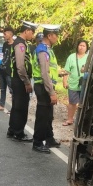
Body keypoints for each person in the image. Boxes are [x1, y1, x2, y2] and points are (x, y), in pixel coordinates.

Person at [31, 25, 61, 153]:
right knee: (42, 116)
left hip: (47, 86)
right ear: (49, 36)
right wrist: (51, 92)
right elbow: (44, 73)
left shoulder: (48, 49)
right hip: (43, 87)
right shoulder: (43, 50)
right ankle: (37, 142)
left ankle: (49, 138)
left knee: (48, 115)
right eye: (56, 35)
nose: (57, 38)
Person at [6, 20, 37, 142]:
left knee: (16, 106)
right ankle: (18, 133)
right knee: (21, 107)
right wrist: (27, 82)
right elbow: (20, 66)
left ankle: (12, 130)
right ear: (27, 31)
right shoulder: (20, 44)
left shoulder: (22, 43)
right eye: (32, 32)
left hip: (18, 79)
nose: (33, 35)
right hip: (20, 80)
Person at [62, 40, 89, 126]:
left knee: (84, 103)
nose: (81, 47)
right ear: (77, 46)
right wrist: (64, 81)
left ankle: (81, 121)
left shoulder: (89, 58)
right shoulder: (71, 57)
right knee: (72, 102)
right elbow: (66, 71)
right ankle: (70, 119)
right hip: (73, 83)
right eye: (80, 45)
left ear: (87, 48)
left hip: (84, 83)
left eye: (84, 46)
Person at [0, 26, 14, 113]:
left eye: (5, 34)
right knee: (2, 89)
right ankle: (1, 105)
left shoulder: (15, 45)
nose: (4, 35)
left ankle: (14, 108)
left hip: (9, 71)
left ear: (10, 34)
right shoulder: (5, 44)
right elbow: (4, 55)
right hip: (2, 69)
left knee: (12, 90)